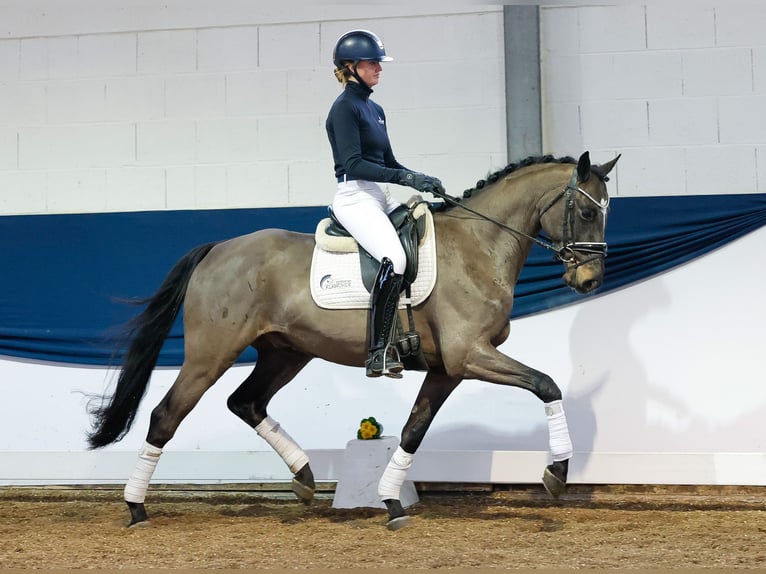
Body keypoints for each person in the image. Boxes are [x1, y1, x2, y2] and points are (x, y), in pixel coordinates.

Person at [326, 29, 444, 379]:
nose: (379, 68)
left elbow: (389, 162)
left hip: (379, 193)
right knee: (395, 259)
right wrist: (407, 180)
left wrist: (420, 177)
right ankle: (378, 352)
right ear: (351, 66)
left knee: (428, 232)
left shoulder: (374, 108)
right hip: (354, 195)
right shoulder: (344, 108)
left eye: (379, 62)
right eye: (373, 62)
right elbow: (354, 164)